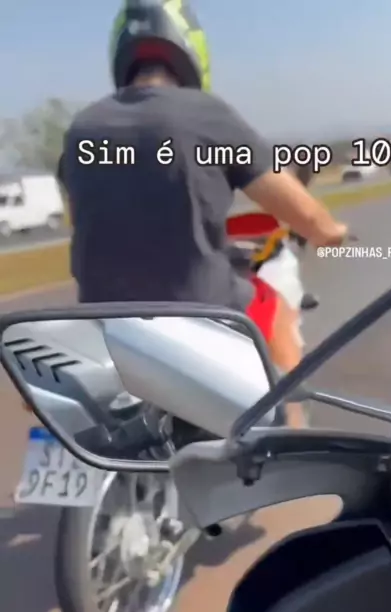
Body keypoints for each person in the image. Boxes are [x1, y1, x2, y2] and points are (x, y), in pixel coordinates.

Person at [58, 0, 347, 389]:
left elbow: (84, 222)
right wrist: (331, 232)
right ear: (191, 48)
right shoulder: (205, 113)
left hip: (104, 327)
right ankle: (287, 425)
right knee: (278, 311)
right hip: (199, 317)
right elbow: (305, 216)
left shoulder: (80, 128)